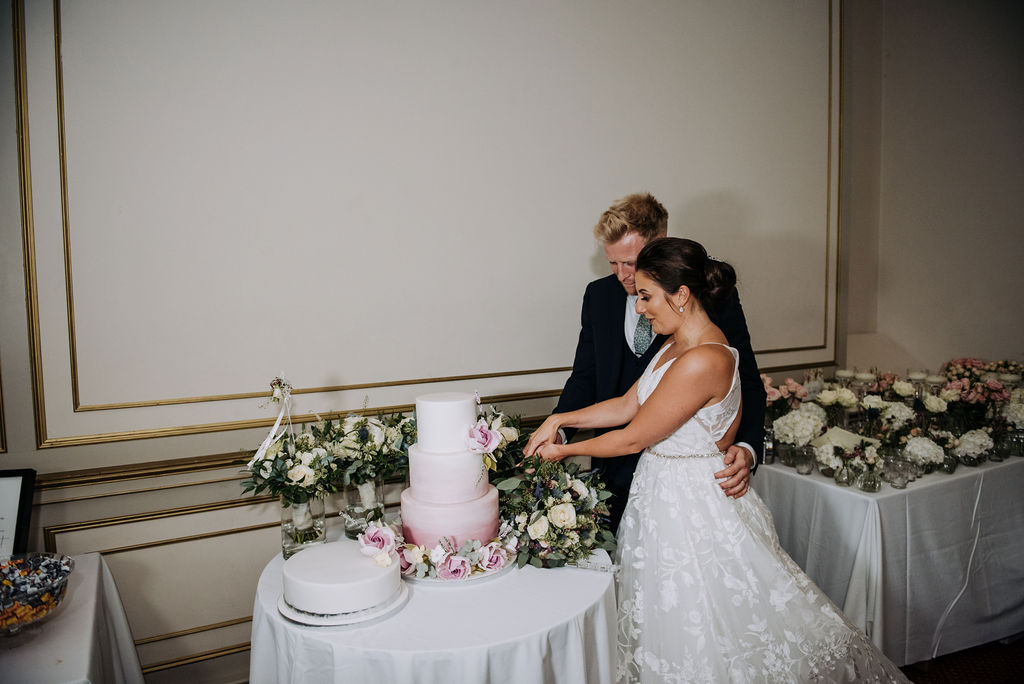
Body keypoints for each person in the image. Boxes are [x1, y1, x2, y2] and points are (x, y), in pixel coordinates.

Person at [524, 238, 907, 683]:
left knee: (702, 617)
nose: (640, 306)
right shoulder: (674, 346)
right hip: (662, 496)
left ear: (681, 295)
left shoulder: (702, 358)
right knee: (667, 616)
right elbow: (629, 404)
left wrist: (564, 450)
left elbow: (632, 438)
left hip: (691, 509)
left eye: (647, 295)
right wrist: (561, 418)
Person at [551, 192, 764, 532]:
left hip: (690, 488)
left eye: (632, 263)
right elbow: (587, 379)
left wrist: (748, 447)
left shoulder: (708, 302)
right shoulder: (599, 296)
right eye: (613, 263)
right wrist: (558, 429)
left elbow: (746, 379)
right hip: (613, 472)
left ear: (660, 247)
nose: (623, 276)